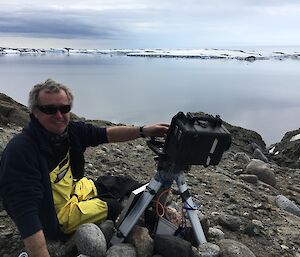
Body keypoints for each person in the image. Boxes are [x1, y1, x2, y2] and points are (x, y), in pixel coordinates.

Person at [0, 79, 169, 257]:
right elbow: (25, 211)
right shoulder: (22, 151)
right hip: (54, 214)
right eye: (50, 110)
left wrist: (143, 131)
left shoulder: (70, 131)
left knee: (117, 183)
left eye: (64, 109)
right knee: (112, 205)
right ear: (34, 112)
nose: (59, 115)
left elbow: (105, 134)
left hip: (71, 188)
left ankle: (157, 211)